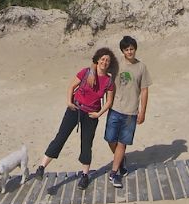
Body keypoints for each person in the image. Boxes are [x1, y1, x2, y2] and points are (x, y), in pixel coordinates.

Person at [35, 48, 116, 190]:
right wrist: (69, 102)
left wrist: (99, 114)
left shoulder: (109, 81)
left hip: (91, 115)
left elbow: (109, 102)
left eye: (107, 60)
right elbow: (71, 86)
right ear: (97, 60)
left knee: (86, 144)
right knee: (60, 137)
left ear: (109, 64)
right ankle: (41, 167)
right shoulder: (86, 72)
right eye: (102, 59)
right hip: (75, 109)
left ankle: (85, 175)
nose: (104, 62)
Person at [104, 35, 151, 188]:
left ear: (135, 49)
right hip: (115, 108)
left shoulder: (141, 67)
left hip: (131, 112)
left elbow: (144, 90)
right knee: (110, 139)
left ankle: (114, 172)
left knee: (122, 143)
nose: (130, 52)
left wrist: (142, 112)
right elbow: (100, 67)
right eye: (127, 50)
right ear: (123, 51)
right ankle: (121, 160)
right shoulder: (116, 64)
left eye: (132, 49)